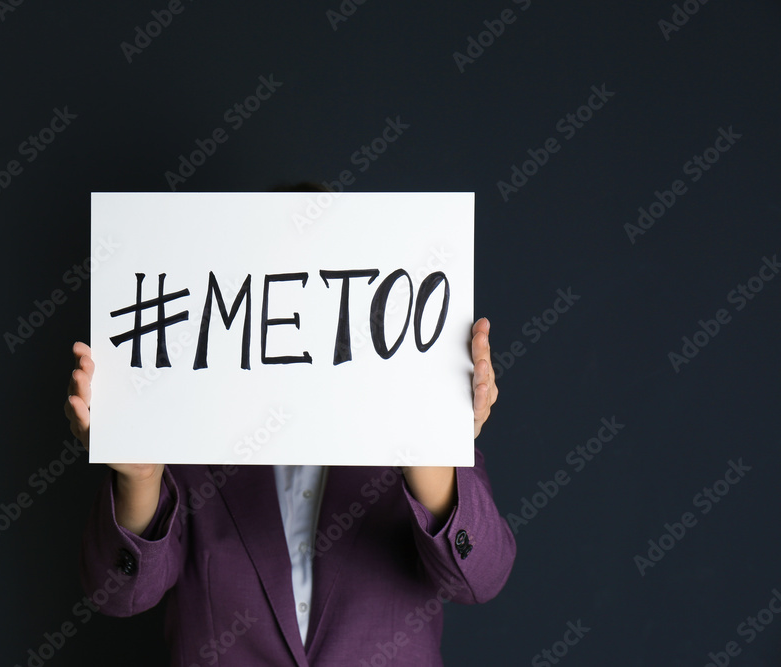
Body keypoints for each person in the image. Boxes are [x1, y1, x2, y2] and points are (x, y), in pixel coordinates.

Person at [66, 189, 515, 666]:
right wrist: (139, 477)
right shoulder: (186, 421)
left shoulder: (418, 406)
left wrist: (427, 449)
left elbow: (480, 580)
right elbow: (119, 594)